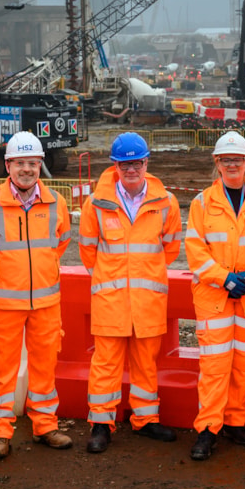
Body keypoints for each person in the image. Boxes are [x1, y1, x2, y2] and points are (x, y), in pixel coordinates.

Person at [79, 131, 182, 453]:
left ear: (146, 162)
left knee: (146, 363)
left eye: (136, 163)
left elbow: (170, 248)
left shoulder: (166, 202)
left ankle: (146, 419)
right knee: (106, 364)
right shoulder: (96, 203)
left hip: (148, 300)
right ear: (115, 166)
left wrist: (142, 277)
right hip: (111, 301)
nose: (131, 170)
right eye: (125, 165)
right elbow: (87, 252)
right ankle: (100, 423)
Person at [0, 132, 73, 459]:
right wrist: (6, 275)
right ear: (8, 166)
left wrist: (40, 273)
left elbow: (59, 245)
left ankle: (45, 425)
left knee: (45, 367)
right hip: (4, 304)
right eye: (20, 163)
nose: (26, 169)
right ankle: (0, 432)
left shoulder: (57, 202)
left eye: (32, 163)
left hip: (46, 303)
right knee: (2, 370)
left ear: (40, 164)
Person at [184, 131, 245, 460]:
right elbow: (195, 252)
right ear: (217, 163)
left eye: (237, 159)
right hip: (215, 298)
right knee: (214, 366)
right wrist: (225, 279)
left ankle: (235, 421)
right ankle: (208, 428)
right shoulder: (201, 203)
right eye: (226, 160)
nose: (232, 165)